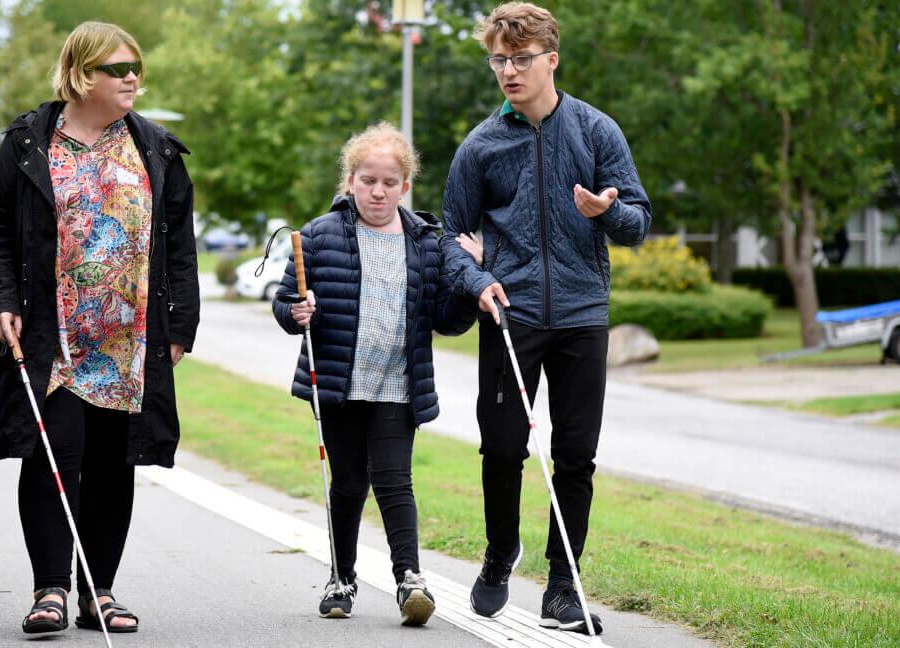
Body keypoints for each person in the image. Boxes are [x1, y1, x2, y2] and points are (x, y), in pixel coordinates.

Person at [0, 21, 198, 635]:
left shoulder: (154, 148)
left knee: (111, 463)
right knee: (54, 456)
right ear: (80, 74)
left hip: (128, 341)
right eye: (117, 69)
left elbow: (179, 245)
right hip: (54, 337)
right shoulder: (28, 143)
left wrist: (181, 326)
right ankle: (50, 590)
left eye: (135, 68)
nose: (131, 78)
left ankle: (101, 592)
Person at [440, 2, 651, 634]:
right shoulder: (480, 146)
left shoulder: (595, 131)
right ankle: (502, 551)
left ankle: (563, 587)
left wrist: (605, 212)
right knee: (503, 449)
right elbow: (451, 235)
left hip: (583, 315)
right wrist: (477, 279)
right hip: (512, 315)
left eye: (520, 59)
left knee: (576, 455)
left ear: (550, 60)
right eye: (498, 59)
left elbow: (638, 222)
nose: (508, 70)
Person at [272, 123, 474, 625]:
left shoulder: (426, 242)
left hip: (398, 385)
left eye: (389, 182)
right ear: (350, 181)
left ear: (405, 186)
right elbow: (285, 302)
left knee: (394, 480)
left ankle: (410, 580)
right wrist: (297, 311)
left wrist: (469, 285)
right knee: (347, 484)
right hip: (340, 383)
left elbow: (445, 321)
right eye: (367, 181)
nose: (377, 191)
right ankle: (342, 577)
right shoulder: (317, 237)